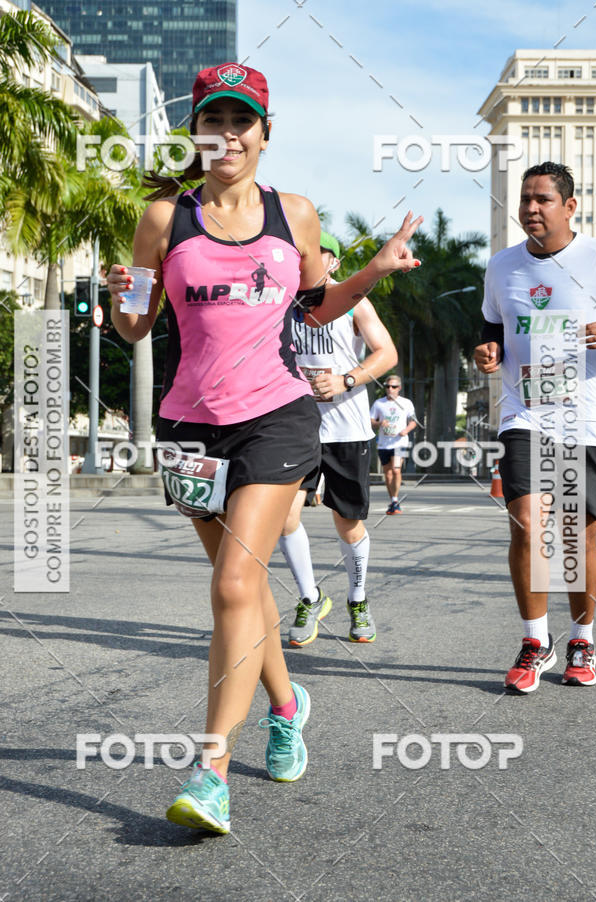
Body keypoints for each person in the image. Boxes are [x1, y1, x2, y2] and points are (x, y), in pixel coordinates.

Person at [107, 62, 423, 833]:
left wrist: (374, 271)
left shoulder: (296, 216)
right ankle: (287, 707)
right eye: (214, 120)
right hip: (188, 425)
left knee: (230, 590)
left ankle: (211, 770)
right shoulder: (162, 218)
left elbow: (319, 306)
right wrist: (121, 294)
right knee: (239, 588)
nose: (229, 135)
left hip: (278, 418)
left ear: (264, 132)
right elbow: (134, 328)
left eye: (242, 121)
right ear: (198, 131)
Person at [474, 161, 596, 693]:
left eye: (542, 199)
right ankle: (534, 640)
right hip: (525, 413)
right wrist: (485, 351)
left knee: (577, 542)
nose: (530, 208)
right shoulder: (502, 266)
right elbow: (489, 329)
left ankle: (582, 638)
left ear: (570, 207)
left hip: (587, 416)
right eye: (525, 199)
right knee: (528, 522)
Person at [279, 231, 398, 646]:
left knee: (348, 524)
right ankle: (310, 597)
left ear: (332, 263)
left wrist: (346, 380)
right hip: (295, 427)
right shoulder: (282, 305)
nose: (304, 264)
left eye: (316, 256)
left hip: (347, 430)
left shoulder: (353, 302)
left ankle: (357, 599)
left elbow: (387, 353)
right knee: (284, 516)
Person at [370, 377, 417, 514]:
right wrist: (379, 424)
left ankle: (395, 500)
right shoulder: (379, 403)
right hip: (384, 444)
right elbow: (371, 420)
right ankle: (393, 501)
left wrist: (406, 431)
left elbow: (413, 421)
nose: (390, 389)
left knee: (396, 470)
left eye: (394, 387)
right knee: (388, 474)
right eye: (388, 386)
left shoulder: (406, 403)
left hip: (399, 442)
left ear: (399, 388)